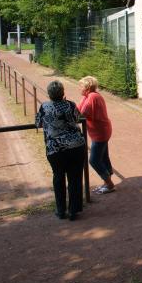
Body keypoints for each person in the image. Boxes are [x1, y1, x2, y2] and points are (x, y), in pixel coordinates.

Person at [36, 80, 86, 220]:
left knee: (58, 177)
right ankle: (73, 210)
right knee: (75, 177)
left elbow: (38, 122)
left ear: (49, 94)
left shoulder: (45, 107)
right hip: (76, 146)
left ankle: (60, 210)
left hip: (55, 149)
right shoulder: (70, 104)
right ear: (63, 93)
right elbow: (78, 117)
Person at [77, 76, 115, 194]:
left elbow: (80, 115)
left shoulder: (92, 97)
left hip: (100, 132)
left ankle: (109, 184)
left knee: (94, 160)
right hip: (101, 131)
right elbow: (79, 109)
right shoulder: (89, 96)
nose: (79, 88)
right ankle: (106, 180)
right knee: (103, 157)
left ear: (87, 87)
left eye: (81, 86)